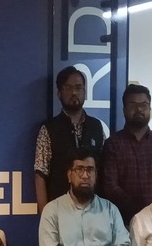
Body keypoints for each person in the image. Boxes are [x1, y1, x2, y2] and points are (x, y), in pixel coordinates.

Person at [34, 66, 106, 210]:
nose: (74, 93)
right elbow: (40, 174)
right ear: (59, 93)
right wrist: (45, 215)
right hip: (59, 210)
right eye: (68, 88)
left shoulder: (97, 127)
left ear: (85, 92)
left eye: (78, 88)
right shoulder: (49, 129)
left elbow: (103, 170)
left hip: (93, 211)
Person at [100, 83, 152, 223]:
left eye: (144, 105)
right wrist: (139, 212)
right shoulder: (113, 144)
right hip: (123, 222)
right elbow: (110, 186)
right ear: (124, 110)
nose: (139, 109)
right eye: (133, 105)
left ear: (150, 109)